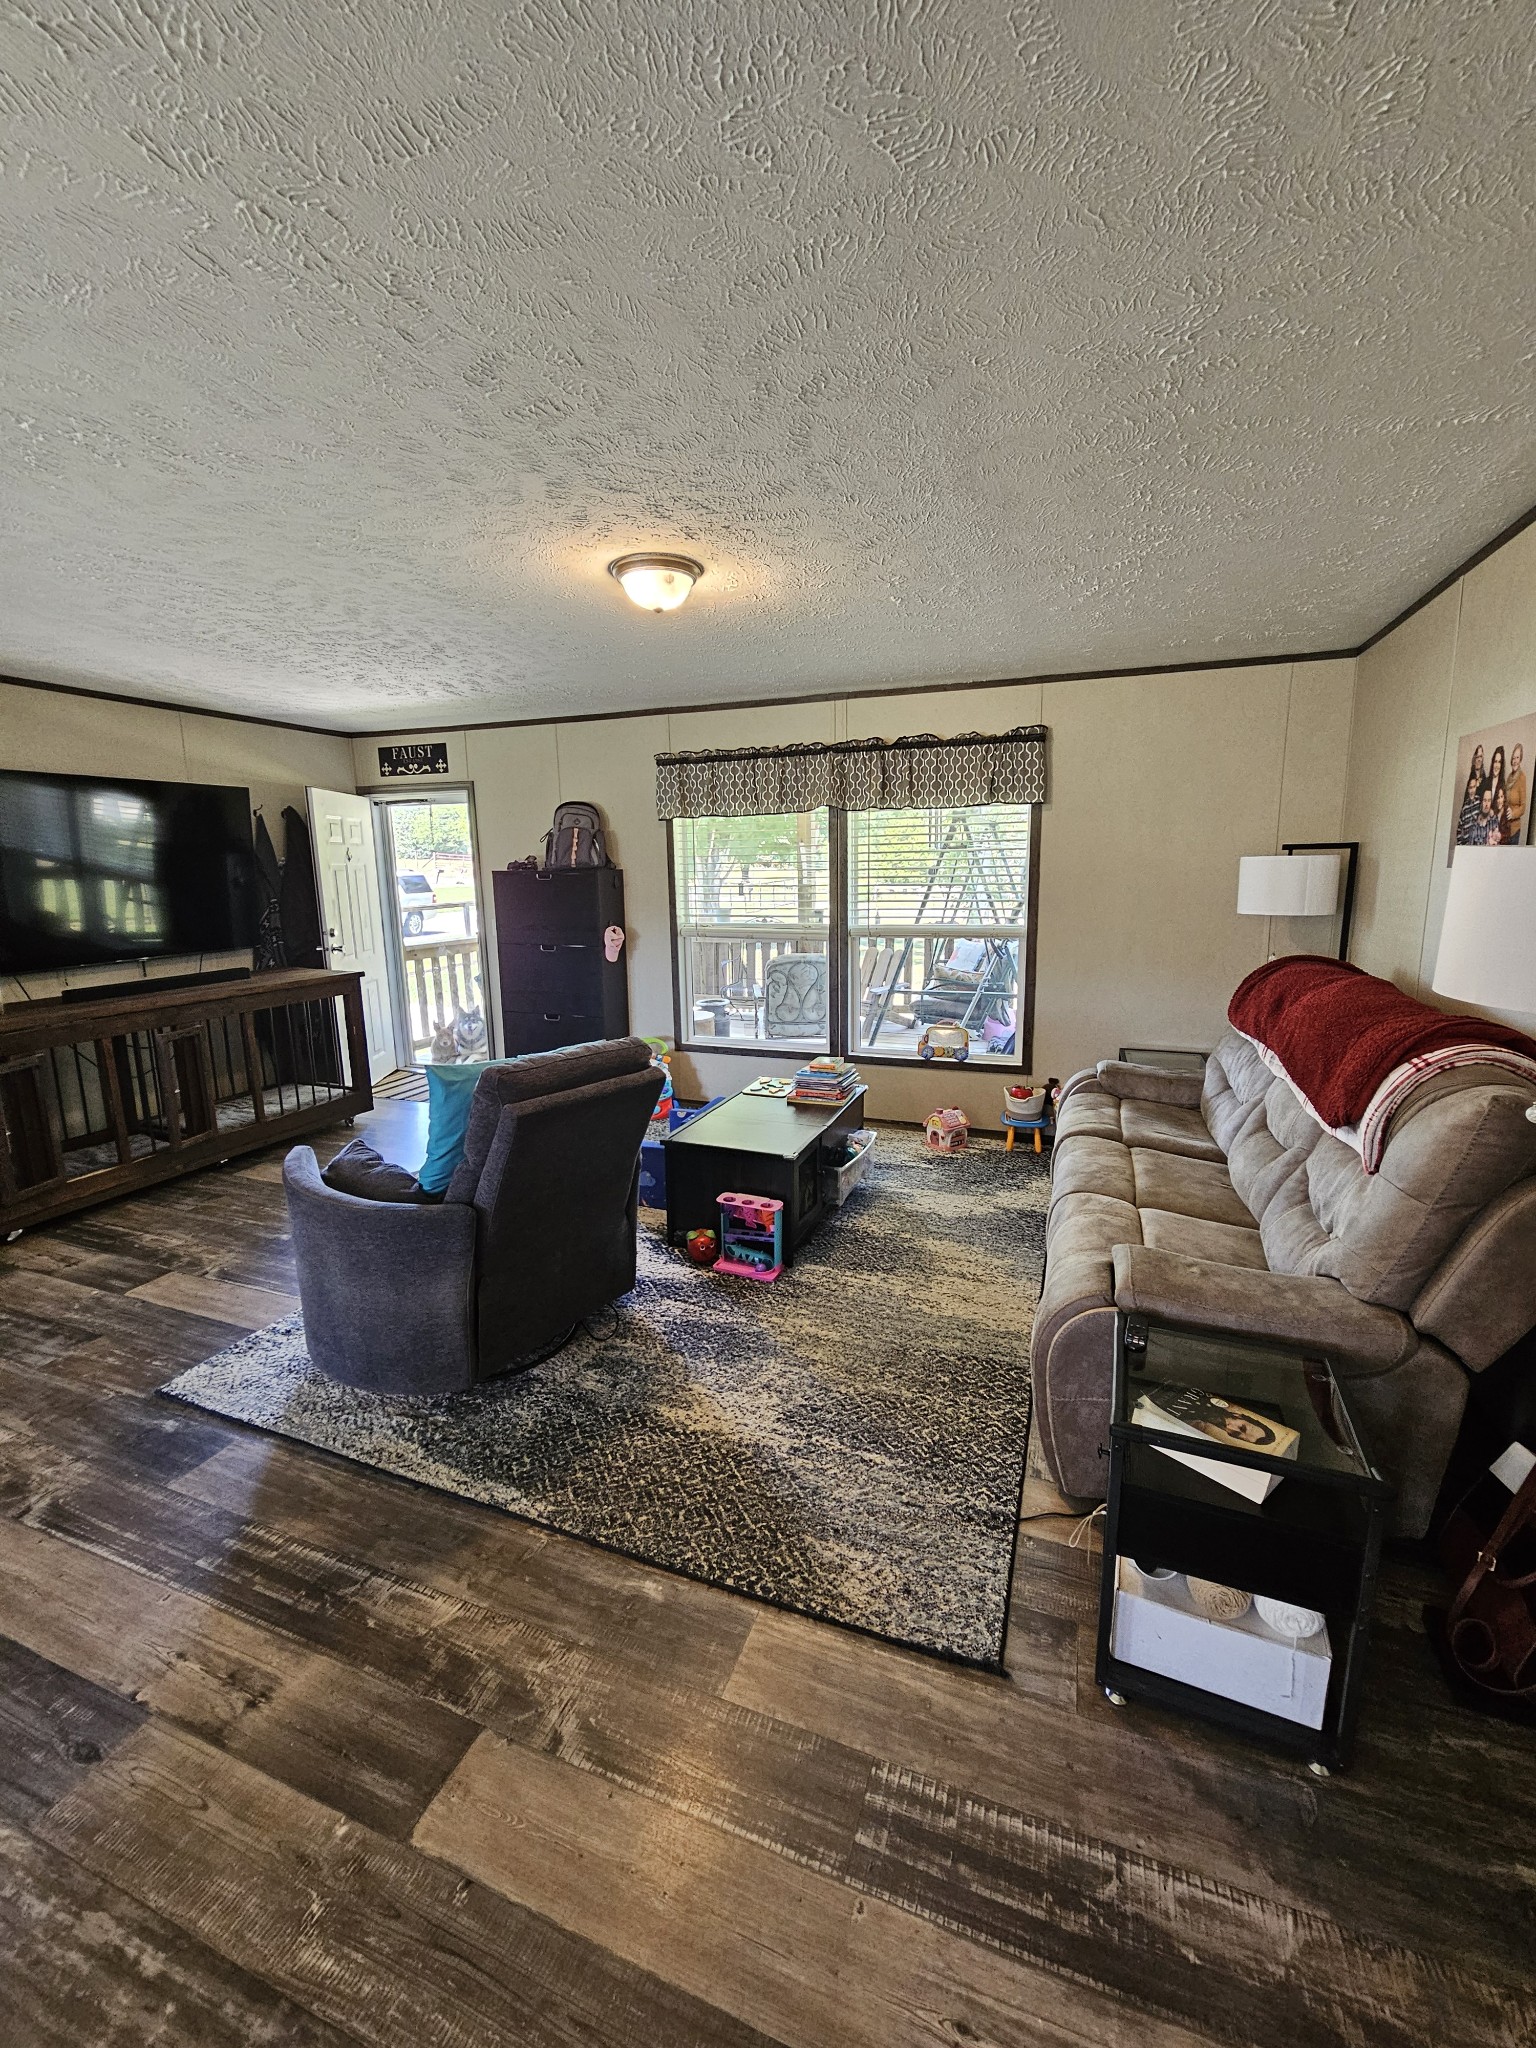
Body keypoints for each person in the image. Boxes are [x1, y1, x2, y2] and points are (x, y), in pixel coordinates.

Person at [1457, 764, 1485, 845]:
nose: (1472, 790)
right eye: (1470, 788)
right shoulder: (1464, 807)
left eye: (1474, 787)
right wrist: (1460, 844)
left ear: (1476, 787)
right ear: (1468, 789)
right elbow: (1459, 828)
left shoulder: (1480, 803)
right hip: (1466, 845)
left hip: (1477, 844)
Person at [1507, 743, 1528, 846]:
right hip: (1505, 827)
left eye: (1517, 758)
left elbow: (1523, 807)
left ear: (1520, 760)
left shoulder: (1522, 778)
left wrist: (1513, 814)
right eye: (1513, 758)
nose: (1515, 761)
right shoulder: (1509, 777)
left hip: (1514, 830)